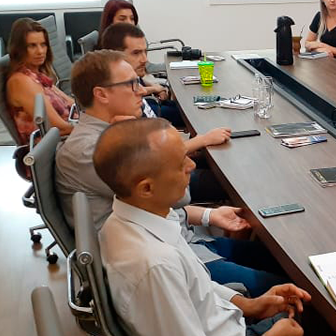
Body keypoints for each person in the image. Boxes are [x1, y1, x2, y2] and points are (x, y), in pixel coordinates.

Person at [56, 50, 286, 296]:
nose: (141, 91)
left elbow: (158, 208)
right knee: (293, 291)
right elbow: (179, 197)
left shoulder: (110, 136)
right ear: (101, 94)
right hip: (161, 267)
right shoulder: (91, 150)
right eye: (131, 84)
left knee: (276, 261)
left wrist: (209, 215)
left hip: (179, 240)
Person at [94, 118, 309, 336]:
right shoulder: (156, 265)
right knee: (320, 319)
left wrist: (250, 306)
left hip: (227, 326)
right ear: (146, 188)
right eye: (180, 163)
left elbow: (197, 288)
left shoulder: (138, 218)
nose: (192, 165)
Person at [5, 18, 75, 143]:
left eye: (43, 44)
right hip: (56, 147)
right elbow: (56, 128)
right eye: (32, 46)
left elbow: (73, 104)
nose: (40, 51)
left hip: (71, 137)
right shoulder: (21, 81)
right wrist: (93, 127)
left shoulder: (37, 76)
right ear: (19, 49)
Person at [100, 22, 183, 127]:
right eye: (136, 53)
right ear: (114, 55)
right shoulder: (123, 105)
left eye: (145, 52)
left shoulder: (133, 79)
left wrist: (156, 87)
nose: (144, 60)